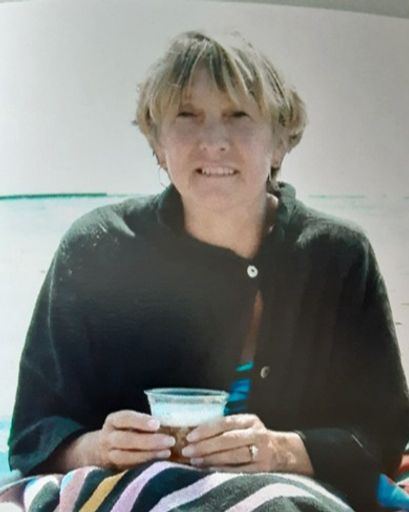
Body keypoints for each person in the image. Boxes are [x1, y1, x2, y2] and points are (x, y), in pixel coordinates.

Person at [7, 30, 409, 511]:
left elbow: (383, 433)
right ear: (158, 144)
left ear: (280, 142)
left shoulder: (339, 257)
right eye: (187, 115)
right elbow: (35, 431)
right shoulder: (97, 248)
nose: (213, 141)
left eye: (239, 116)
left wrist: (281, 449)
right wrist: (100, 448)